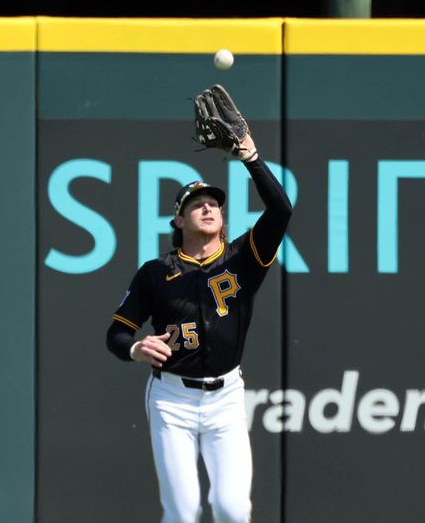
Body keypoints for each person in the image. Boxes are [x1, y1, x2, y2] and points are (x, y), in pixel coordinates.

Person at [106, 127, 292, 523]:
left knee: (231, 509)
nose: (208, 208)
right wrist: (135, 348)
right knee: (183, 511)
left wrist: (251, 157)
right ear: (178, 219)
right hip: (172, 399)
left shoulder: (244, 257)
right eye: (196, 204)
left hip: (226, 399)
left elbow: (281, 211)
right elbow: (117, 334)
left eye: (214, 204)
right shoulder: (156, 272)